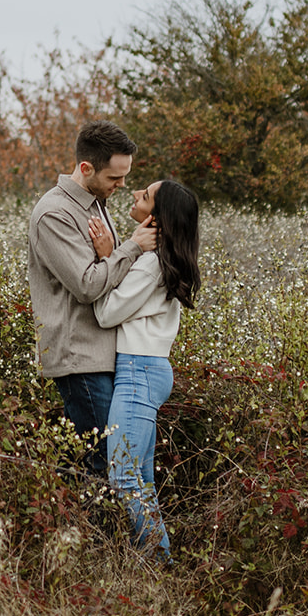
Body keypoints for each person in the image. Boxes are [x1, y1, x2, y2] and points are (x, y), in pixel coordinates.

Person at [27, 120, 158, 480]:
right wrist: (131, 247)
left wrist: (114, 253)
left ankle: (86, 533)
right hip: (78, 358)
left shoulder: (96, 203)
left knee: (102, 461)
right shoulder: (55, 213)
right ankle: (104, 537)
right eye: (115, 178)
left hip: (103, 354)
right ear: (86, 168)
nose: (122, 186)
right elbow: (86, 285)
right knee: (107, 464)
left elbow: (107, 272)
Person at [89, 178, 201, 559]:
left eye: (145, 195)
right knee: (142, 480)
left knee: (122, 476)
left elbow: (105, 314)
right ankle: (155, 565)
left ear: (157, 217)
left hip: (138, 371)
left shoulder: (151, 264)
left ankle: (161, 562)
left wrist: (109, 257)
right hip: (148, 370)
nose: (135, 193)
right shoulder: (157, 261)